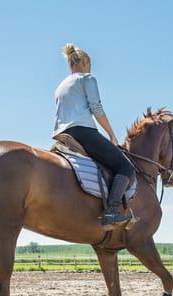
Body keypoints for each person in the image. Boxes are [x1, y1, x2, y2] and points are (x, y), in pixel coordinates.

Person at [53, 43, 135, 231]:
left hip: (62, 134)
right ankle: (112, 211)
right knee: (126, 167)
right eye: (90, 63)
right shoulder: (87, 79)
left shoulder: (61, 86)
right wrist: (111, 134)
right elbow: (96, 108)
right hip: (83, 131)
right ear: (85, 62)